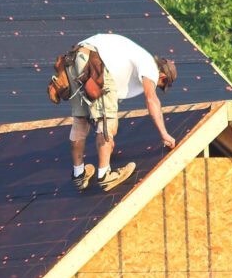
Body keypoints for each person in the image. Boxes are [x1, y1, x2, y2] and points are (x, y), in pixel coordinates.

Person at [65, 33, 176, 192]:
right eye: (160, 84)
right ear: (163, 76)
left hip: (75, 57)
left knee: (80, 120)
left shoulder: (128, 61)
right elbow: (151, 100)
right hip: (95, 61)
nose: (155, 85)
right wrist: (165, 134)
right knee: (105, 121)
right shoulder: (151, 67)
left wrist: (110, 139)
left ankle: (79, 174)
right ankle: (104, 175)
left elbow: (109, 105)